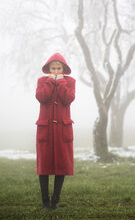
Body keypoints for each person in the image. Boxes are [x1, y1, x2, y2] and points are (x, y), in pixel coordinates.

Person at [35, 53, 76, 210]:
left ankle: (55, 202)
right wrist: (51, 81)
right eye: (53, 68)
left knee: (62, 165)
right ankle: (45, 202)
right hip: (45, 130)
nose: (57, 71)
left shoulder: (70, 81)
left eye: (59, 68)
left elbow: (68, 99)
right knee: (43, 167)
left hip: (62, 130)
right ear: (48, 69)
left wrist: (60, 82)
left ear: (64, 69)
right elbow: (41, 97)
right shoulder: (42, 81)